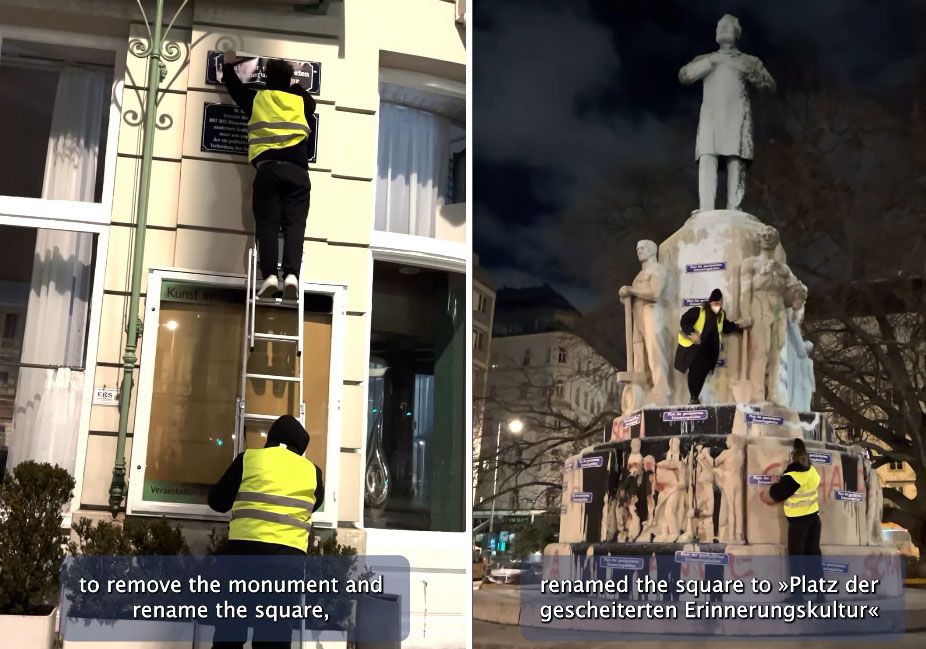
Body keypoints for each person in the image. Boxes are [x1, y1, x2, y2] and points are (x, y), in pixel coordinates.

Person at [208, 415, 324, 649]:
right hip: (286, 566)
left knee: (230, 631)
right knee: (273, 635)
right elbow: (314, 504)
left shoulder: (248, 459)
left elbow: (217, 502)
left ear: (270, 438)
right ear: (301, 447)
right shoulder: (312, 472)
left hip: (241, 561)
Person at [223, 51, 315, 299]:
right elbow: (311, 104)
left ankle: (271, 276)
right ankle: (292, 275)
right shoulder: (301, 102)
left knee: (268, 224)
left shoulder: (257, 99)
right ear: (288, 81)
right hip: (298, 173)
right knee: (295, 225)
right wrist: (295, 86)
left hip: (269, 170)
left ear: (266, 80)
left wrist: (228, 65)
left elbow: (235, 89)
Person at [678, 14, 776, 211]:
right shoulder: (705, 59)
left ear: (736, 32)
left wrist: (750, 71)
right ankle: (706, 208)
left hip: (736, 115)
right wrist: (711, 62)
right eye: (719, 26)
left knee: (735, 158)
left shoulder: (748, 61)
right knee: (707, 156)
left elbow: (770, 86)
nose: (722, 28)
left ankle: (734, 208)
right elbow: (685, 76)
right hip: (710, 117)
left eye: (727, 26)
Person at [768, 438, 824, 602]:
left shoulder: (792, 477)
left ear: (792, 459)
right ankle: (820, 595)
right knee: (814, 557)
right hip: (814, 520)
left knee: (796, 559)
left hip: (799, 523)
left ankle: (798, 595)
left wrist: (775, 484)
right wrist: (800, 446)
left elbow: (777, 494)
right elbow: (804, 462)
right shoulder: (812, 471)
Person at [674, 288, 750, 404]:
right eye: (715, 303)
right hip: (695, 350)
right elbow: (685, 321)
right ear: (710, 302)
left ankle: (694, 397)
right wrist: (691, 333)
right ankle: (694, 397)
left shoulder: (721, 315)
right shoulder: (698, 311)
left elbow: (725, 327)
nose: (717, 306)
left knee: (701, 374)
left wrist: (738, 326)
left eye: (719, 303)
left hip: (709, 354)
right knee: (695, 372)